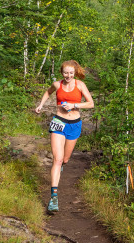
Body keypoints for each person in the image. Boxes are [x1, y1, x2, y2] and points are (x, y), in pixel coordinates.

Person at [35, 60, 94, 212]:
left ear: (74, 73)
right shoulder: (57, 85)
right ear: (62, 73)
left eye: (71, 73)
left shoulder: (80, 85)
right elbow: (48, 92)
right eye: (66, 73)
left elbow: (90, 103)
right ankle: (54, 197)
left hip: (75, 124)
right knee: (58, 159)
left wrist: (74, 105)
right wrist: (41, 105)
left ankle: (61, 166)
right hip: (58, 121)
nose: (68, 75)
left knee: (65, 159)